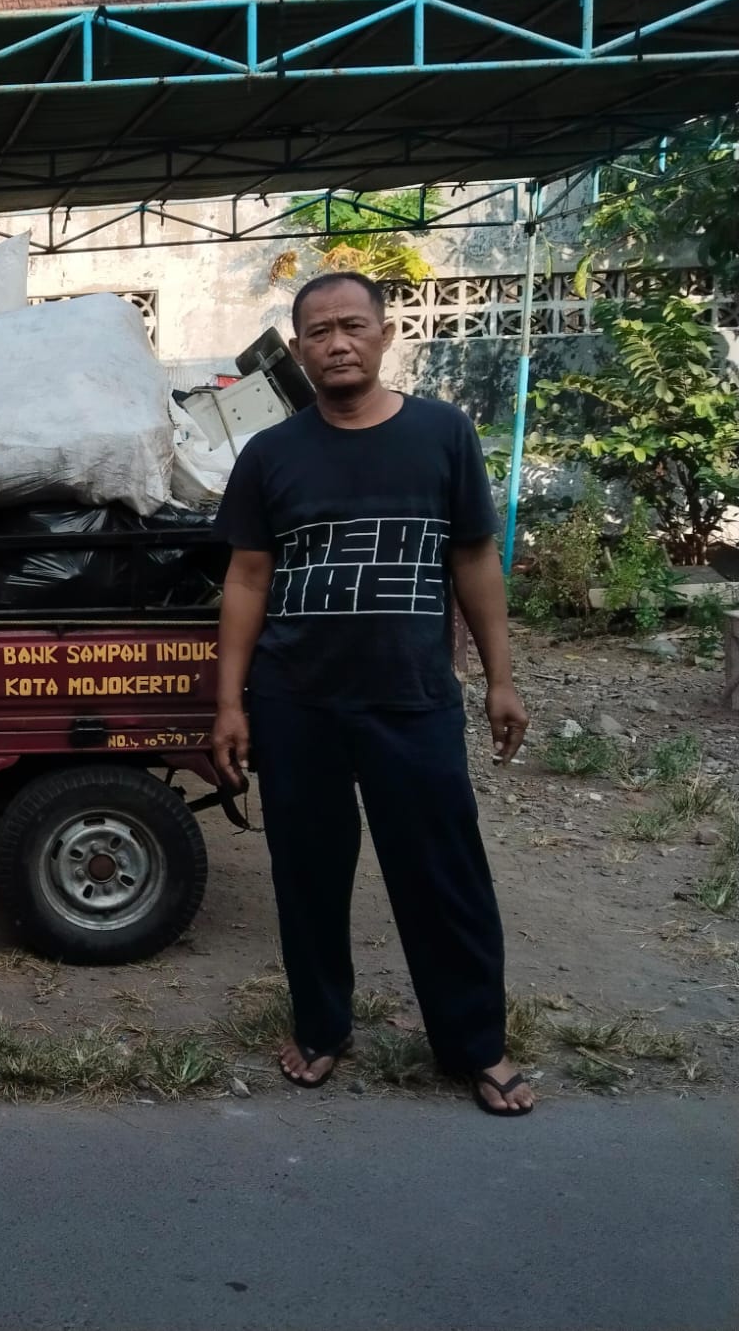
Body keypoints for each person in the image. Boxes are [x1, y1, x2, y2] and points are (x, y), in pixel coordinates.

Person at [210, 272, 535, 1117]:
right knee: (308, 876)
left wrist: (500, 680)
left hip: (412, 697)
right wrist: (231, 703)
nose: (338, 343)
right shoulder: (270, 455)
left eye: (353, 326)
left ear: (386, 334)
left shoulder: (442, 434)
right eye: (319, 333)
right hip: (297, 701)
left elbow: (474, 559)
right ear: (298, 350)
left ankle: (476, 1044)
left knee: (444, 876)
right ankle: (322, 1028)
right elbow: (247, 578)